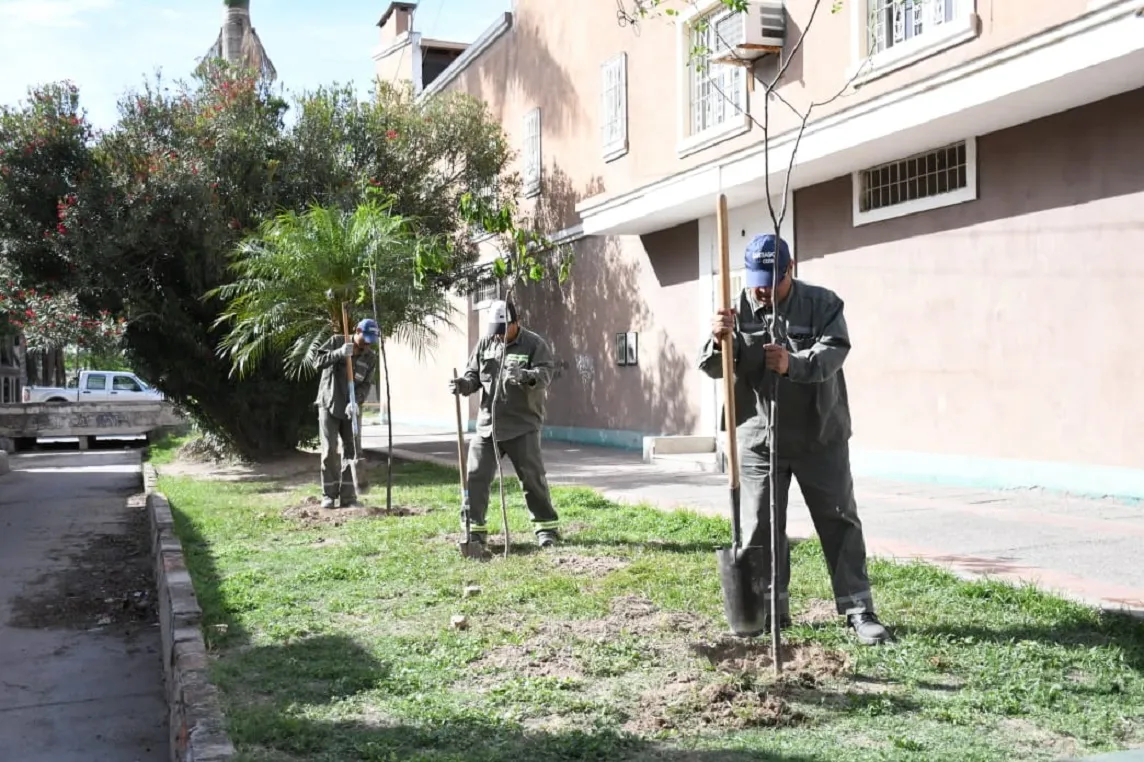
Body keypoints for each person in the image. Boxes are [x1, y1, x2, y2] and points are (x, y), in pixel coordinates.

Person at [698, 234, 891, 646]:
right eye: (755, 280)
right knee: (758, 527)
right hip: (757, 439)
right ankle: (770, 608)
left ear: (791, 268)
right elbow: (712, 367)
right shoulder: (737, 311)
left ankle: (858, 608)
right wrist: (718, 340)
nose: (762, 289)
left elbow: (835, 350)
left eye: (771, 279)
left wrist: (793, 363)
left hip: (819, 435)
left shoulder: (823, 305)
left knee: (839, 520)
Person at [449, 299, 561, 547]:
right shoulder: (486, 343)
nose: (498, 337)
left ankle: (546, 529)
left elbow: (545, 374)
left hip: (523, 426)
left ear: (516, 323)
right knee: (475, 475)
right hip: (488, 426)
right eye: (495, 332)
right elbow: (474, 376)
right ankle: (474, 530)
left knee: (532, 479)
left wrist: (526, 376)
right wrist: (464, 385)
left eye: (503, 331)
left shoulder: (534, 344)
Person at [314, 318, 379, 509]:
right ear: (357, 330)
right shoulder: (336, 341)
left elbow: (366, 383)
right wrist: (339, 353)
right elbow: (317, 362)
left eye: (371, 340)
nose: (367, 343)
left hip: (351, 408)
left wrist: (357, 400)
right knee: (329, 451)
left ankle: (349, 498)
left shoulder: (370, 357)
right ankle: (329, 495)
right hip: (330, 403)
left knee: (352, 451)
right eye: (365, 338)